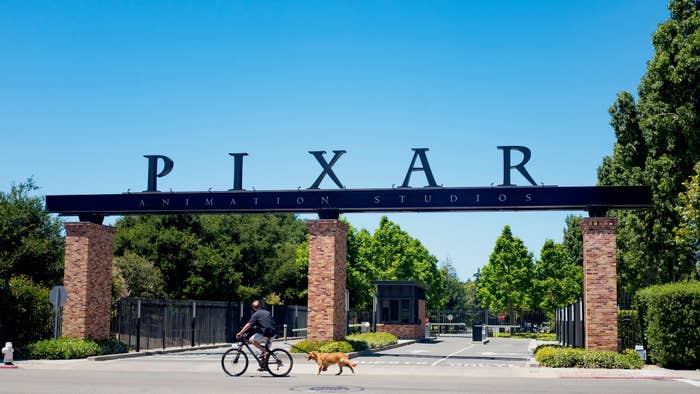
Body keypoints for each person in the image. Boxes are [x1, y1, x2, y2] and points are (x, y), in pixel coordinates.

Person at [236, 300, 276, 370]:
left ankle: (264, 351)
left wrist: (240, 333)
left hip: (266, 333)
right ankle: (264, 366)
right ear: (260, 306)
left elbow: (248, 325)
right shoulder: (267, 312)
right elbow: (268, 322)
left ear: (253, 308)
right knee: (266, 349)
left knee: (251, 340)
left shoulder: (256, 314)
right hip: (273, 333)